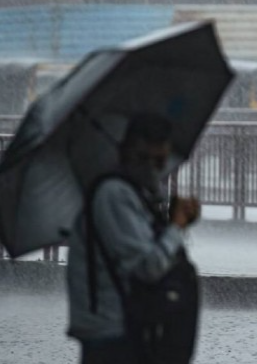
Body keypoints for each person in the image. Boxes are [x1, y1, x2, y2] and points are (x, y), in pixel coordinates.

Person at [66, 114, 201, 363]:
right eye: (143, 158)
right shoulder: (114, 194)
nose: (151, 168)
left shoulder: (134, 193)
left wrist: (171, 221)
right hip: (111, 331)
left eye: (159, 161)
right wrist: (175, 226)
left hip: (127, 326)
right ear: (125, 152)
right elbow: (148, 267)